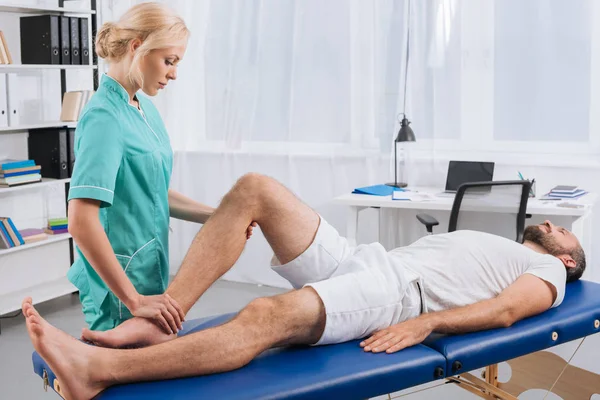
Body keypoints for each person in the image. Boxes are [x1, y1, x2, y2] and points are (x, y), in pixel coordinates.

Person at [24, 173, 586, 400]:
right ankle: (156, 322)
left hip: (398, 292)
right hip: (371, 262)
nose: (557, 226)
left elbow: (510, 312)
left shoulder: (549, 272)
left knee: (265, 315)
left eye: (565, 235)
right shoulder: (513, 248)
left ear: (566, 258)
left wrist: (428, 322)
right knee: (256, 190)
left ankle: (97, 371)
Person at [67, 2, 256, 335]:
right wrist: (133, 299)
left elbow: (150, 189)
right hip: (119, 286)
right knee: (127, 376)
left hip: (148, 271)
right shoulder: (104, 118)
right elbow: (81, 221)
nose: (174, 73)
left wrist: (216, 216)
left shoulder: (144, 109)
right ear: (137, 46)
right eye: (169, 61)